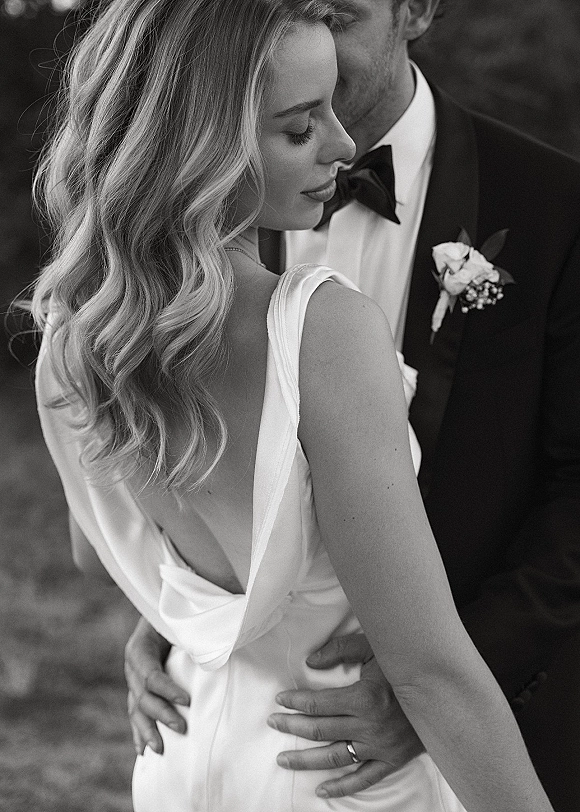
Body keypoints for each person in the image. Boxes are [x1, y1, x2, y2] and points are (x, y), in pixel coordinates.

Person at [32, 0, 558, 810]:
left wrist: (185, 612)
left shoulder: (73, 335)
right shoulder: (324, 326)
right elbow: (430, 671)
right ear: (208, 144)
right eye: (300, 127)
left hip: (187, 759)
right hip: (336, 775)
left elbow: (97, 551)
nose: (344, 146)